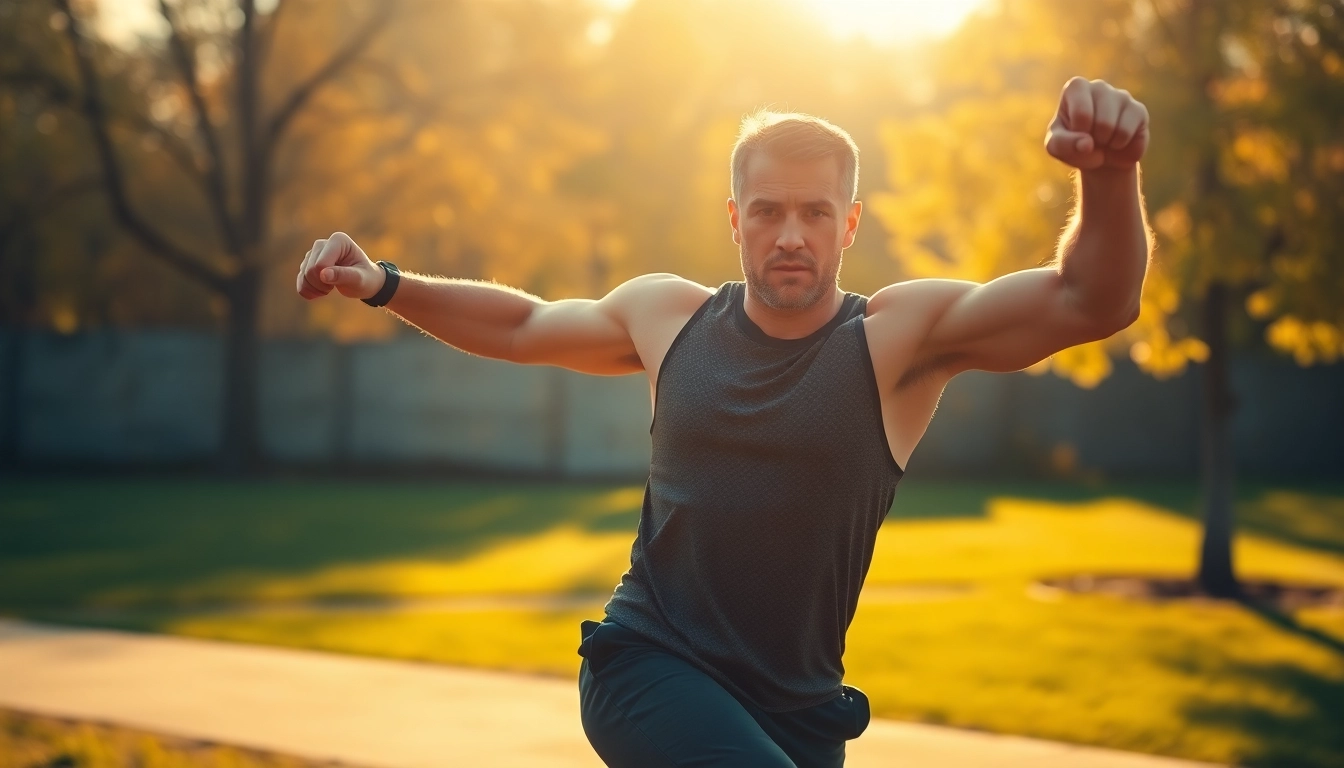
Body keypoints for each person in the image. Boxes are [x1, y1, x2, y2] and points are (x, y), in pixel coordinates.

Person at [295, 76, 1151, 767]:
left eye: (815, 212)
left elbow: (1091, 300)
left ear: (849, 225)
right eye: (768, 210)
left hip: (802, 711)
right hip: (652, 667)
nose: (790, 234)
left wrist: (1108, 177)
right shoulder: (670, 319)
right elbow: (523, 326)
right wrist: (386, 284)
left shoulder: (897, 341)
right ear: (733, 219)